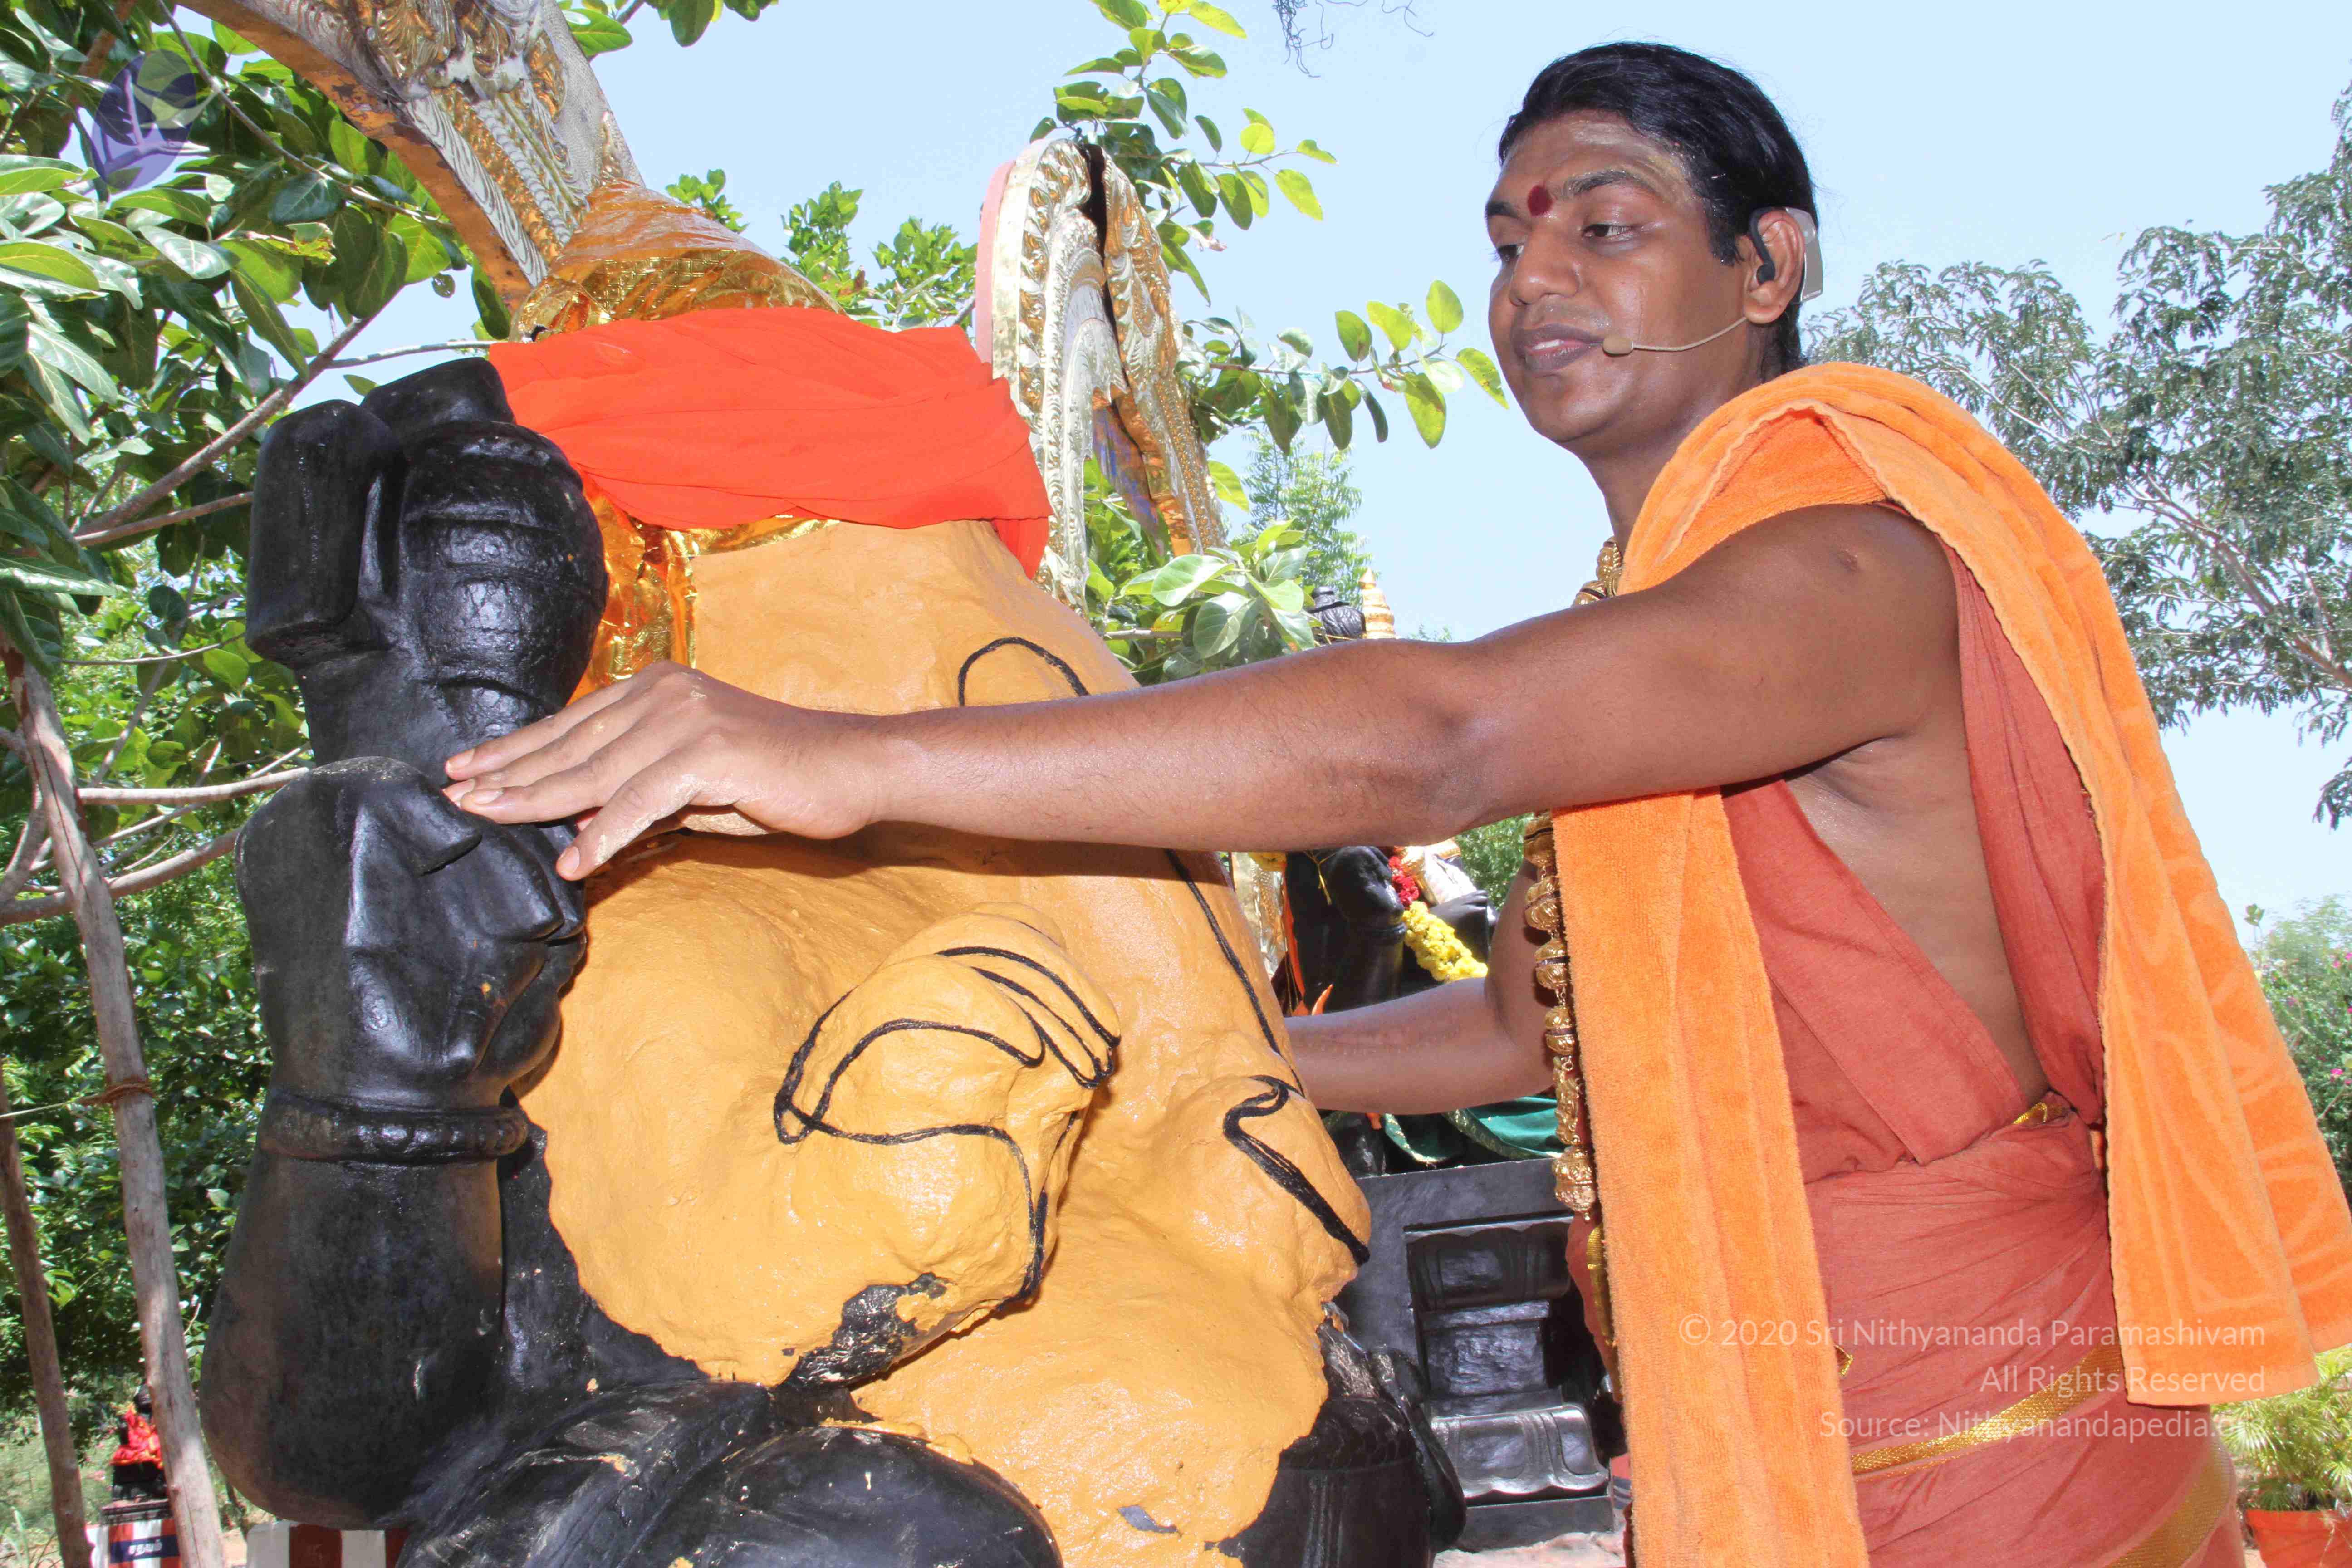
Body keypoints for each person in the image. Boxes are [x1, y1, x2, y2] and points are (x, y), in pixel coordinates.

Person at [441, 42, 2352, 1568]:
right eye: (1508, 238)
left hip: (1990, 1433)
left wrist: (833, 755)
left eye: (1607, 225)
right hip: (1762, 1406)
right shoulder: (1661, 633)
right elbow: (1524, 1032)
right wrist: (1194, 1068)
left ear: (1768, 268)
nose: (1534, 280)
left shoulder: (1844, 566)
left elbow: (1439, 737)